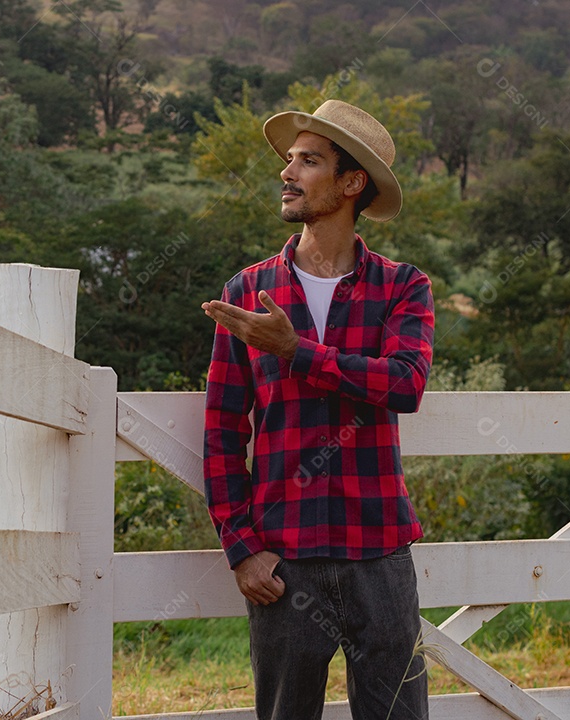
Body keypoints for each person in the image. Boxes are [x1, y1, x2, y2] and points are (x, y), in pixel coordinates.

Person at [201, 99, 435, 720]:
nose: (287, 173)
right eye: (289, 160)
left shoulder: (403, 286)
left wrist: (295, 350)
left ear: (352, 182)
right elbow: (222, 430)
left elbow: (405, 385)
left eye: (308, 161)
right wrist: (241, 544)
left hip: (381, 555)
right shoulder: (246, 293)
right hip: (285, 561)